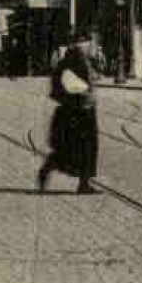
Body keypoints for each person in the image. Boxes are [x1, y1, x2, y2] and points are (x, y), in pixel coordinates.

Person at [38, 31, 100, 195]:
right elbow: (67, 83)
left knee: (81, 148)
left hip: (79, 109)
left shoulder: (77, 59)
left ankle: (83, 183)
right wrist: (83, 93)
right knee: (80, 148)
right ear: (81, 43)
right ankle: (54, 169)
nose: (90, 46)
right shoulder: (75, 59)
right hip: (78, 110)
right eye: (88, 42)